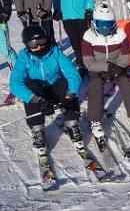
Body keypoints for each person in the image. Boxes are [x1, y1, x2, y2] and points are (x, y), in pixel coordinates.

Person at [9, 25, 82, 156]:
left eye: (41, 42)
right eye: (33, 44)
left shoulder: (55, 52)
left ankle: (72, 124)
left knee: (66, 83)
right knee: (30, 86)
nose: (39, 47)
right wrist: (37, 100)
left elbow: (73, 74)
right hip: (38, 93)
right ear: (27, 45)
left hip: (54, 87)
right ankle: (37, 131)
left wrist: (69, 96)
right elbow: (15, 84)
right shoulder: (24, 57)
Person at [81, 6, 130, 147]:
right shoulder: (88, 36)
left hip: (117, 67)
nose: (105, 29)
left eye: (108, 24)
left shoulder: (120, 34)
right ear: (95, 23)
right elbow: (88, 62)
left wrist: (117, 68)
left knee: (127, 84)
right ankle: (95, 120)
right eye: (101, 25)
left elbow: (126, 55)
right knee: (95, 85)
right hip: (98, 68)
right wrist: (106, 67)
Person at [52, 0, 94, 76]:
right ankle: (81, 65)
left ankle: (89, 64)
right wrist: (57, 10)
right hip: (67, 17)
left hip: (82, 16)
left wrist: (89, 9)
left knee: (85, 42)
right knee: (75, 42)